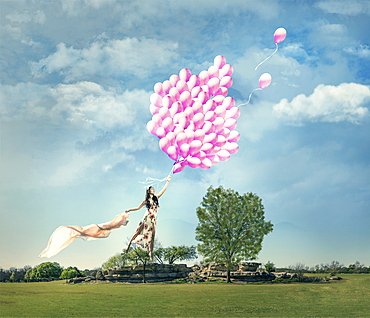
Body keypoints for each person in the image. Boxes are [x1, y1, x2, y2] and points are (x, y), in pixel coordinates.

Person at [39, 212, 130, 258]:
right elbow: (113, 224)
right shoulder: (109, 225)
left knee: (77, 233)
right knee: (78, 232)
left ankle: (69, 231)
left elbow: (113, 226)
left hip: (96, 230)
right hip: (96, 229)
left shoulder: (111, 226)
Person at [125, 176, 172, 260]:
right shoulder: (145, 201)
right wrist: (129, 210)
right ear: (148, 190)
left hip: (153, 219)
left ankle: (150, 253)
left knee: (152, 236)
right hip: (147, 217)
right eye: (152, 189)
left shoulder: (156, 198)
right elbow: (138, 208)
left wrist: (168, 181)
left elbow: (163, 190)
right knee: (138, 231)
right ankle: (128, 245)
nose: (153, 190)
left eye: (153, 189)